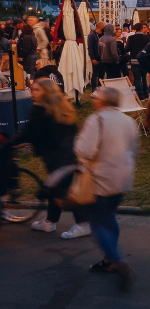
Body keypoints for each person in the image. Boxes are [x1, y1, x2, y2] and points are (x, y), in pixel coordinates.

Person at [6, 78, 90, 239]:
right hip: (68, 154)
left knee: (62, 192)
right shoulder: (64, 107)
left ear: (47, 91)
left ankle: (82, 224)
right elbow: (73, 130)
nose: (33, 93)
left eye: (37, 90)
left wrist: (8, 145)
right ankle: (49, 221)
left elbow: (27, 132)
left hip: (54, 157)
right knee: (59, 188)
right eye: (33, 90)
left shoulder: (38, 109)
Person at [76, 87, 139, 291]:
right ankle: (109, 260)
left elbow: (84, 149)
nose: (94, 100)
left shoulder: (97, 120)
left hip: (101, 176)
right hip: (122, 176)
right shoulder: (128, 121)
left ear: (101, 102)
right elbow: (133, 148)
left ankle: (117, 259)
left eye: (96, 98)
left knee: (96, 221)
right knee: (109, 216)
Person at [125, 23, 150, 99]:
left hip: (134, 59)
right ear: (142, 29)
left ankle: (140, 95)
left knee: (137, 78)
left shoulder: (131, 38)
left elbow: (127, 49)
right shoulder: (147, 38)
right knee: (144, 77)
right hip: (144, 60)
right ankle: (146, 93)